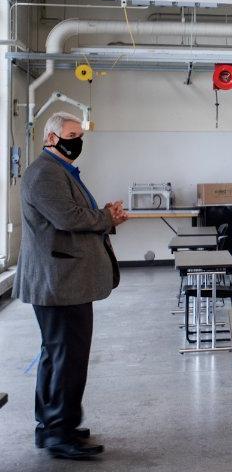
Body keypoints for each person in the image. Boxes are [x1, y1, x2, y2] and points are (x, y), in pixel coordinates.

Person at [12, 112, 128, 460]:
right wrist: (107, 218)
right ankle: (59, 433)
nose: (77, 140)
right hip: (59, 283)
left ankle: (53, 424)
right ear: (51, 138)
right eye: (71, 134)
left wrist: (104, 214)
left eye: (79, 134)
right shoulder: (46, 173)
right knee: (67, 357)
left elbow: (73, 211)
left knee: (58, 354)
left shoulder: (58, 171)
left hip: (62, 281)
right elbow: (68, 217)